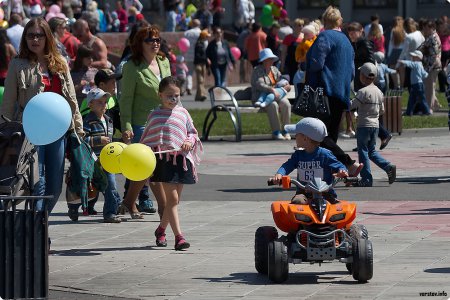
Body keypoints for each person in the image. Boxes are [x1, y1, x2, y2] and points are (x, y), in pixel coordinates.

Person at [0, 17, 84, 215]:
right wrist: (4, 131)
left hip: (58, 132)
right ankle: (37, 231)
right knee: (39, 183)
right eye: (30, 36)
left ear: (47, 38)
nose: (34, 40)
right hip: (30, 132)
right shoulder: (18, 65)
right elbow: (8, 102)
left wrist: (79, 129)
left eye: (39, 35)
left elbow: (71, 99)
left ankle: (40, 224)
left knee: (54, 187)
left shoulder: (60, 64)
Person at [139, 76, 202, 250]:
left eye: (176, 96)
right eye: (169, 96)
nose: (173, 100)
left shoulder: (183, 113)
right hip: (163, 161)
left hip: (181, 160)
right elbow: (146, 140)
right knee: (172, 199)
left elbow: (192, 132)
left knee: (173, 202)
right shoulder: (155, 115)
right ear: (159, 95)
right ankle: (179, 238)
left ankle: (161, 230)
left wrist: (189, 140)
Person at [119, 25, 171, 217]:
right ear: (140, 44)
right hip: (143, 124)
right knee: (152, 167)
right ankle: (164, 211)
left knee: (146, 169)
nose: (155, 44)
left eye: (157, 40)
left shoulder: (164, 62)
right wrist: (126, 126)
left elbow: (172, 91)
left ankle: (128, 202)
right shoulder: (132, 67)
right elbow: (126, 99)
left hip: (165, 121)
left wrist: (181, 117)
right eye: (150, 40)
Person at [305, 6, 362, 177]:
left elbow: (316, 64)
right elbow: (352, 72)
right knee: (332, 135)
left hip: (325, 92)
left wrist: (303, 65)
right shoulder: (346, 40)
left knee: (319, 135)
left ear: (324, 21)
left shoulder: (324, 37)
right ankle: (332, 172)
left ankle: (347, 163)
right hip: (342, 93)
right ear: (340, 21)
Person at [269, 117, 348, 204]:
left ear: (305, 139)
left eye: (297, 134)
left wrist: (342, 171)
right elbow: (287, 166)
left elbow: (339, 166)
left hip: (325, 192)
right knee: (297, 201)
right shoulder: (298, 155)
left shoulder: (325, 154)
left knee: (332, 206)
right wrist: (280, 174)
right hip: (303, 192)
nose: (295, 136)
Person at [350, 62, 396, 187]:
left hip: (363, 124)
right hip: (375, 125)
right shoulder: (379, 92)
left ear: (363, 76)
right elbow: (382, 110)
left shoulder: (362, 91)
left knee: (363, 151)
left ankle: (366, 179)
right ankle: (388, 166)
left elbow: (352, 105)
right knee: (371, 151)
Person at [82, 88, 122, 223]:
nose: (103, 105)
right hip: (94, 159)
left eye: (105, 102)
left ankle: (110, 212)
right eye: (99, 102)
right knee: (93, 186)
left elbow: (110, 140)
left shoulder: (108, 120)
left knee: (110, 184)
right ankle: (78, 205)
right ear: (90, 105)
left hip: (107, 159)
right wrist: (99, 140)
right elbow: (83, 140)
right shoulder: (88, 121)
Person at [251, 48, 291, 140]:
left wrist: (286, 85)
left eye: (272, 58)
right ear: (264, 60)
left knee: (286, 104)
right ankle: (276, 132)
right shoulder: (257, 70)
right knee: (273, 105)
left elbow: (282, 80)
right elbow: (259, 84)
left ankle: (286, 131)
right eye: (269, 59)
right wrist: (272, 90)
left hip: (276, 96)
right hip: (261, 99)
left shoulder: (275, 69)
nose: (271, 61)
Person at [419, 19, 442, 112]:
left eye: (426, 28)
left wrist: (428, 68)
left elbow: (434, 55)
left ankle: (429, 108)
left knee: (429, 88)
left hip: (432, 66)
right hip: (434, 66)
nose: (424, 30)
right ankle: (436, 105)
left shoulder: (433, 38)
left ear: (431, 28)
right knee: (431, 87)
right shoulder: (433, 36)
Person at [398, 50, 431, 116]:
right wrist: (427, 74)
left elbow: (410, 63)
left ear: (418, 58)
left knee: (421, 98)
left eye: (414, 56)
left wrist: (402, 61)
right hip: (417, 84)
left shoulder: (416, 64)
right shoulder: (420, 65)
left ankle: (427, 111)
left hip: (417, 84)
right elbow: (424, 74)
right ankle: (408, 112)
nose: (412, 57)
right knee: (412, 99)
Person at [280, 18, 304, 84]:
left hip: (301, 63)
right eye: (299, 25)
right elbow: (283, 53)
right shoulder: (288, 37)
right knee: (291, 81)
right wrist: (282, 64)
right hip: (290, 63)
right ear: (294, 26)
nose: (301, 27)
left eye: (302, 25)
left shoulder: (304, 37)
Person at [183, 19, 201, 96]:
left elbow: (183, 44)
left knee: (189, 73)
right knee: (199, 73)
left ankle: (189, 87)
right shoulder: (201, 33)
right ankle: (199, 89)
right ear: (199, 25)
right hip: (198, 56)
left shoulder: (187, 33)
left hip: (188, 55)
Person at [194, 29, 210, 101]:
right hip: (199, 65)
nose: (207, 37)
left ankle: (197, 96)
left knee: (202, 81)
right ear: (203, 37)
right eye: (206, 36)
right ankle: (202, 95)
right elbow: (198, 56)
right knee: (200, 81)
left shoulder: (203, 44)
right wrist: (206, 59)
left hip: (203, 64)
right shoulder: (198, 45)